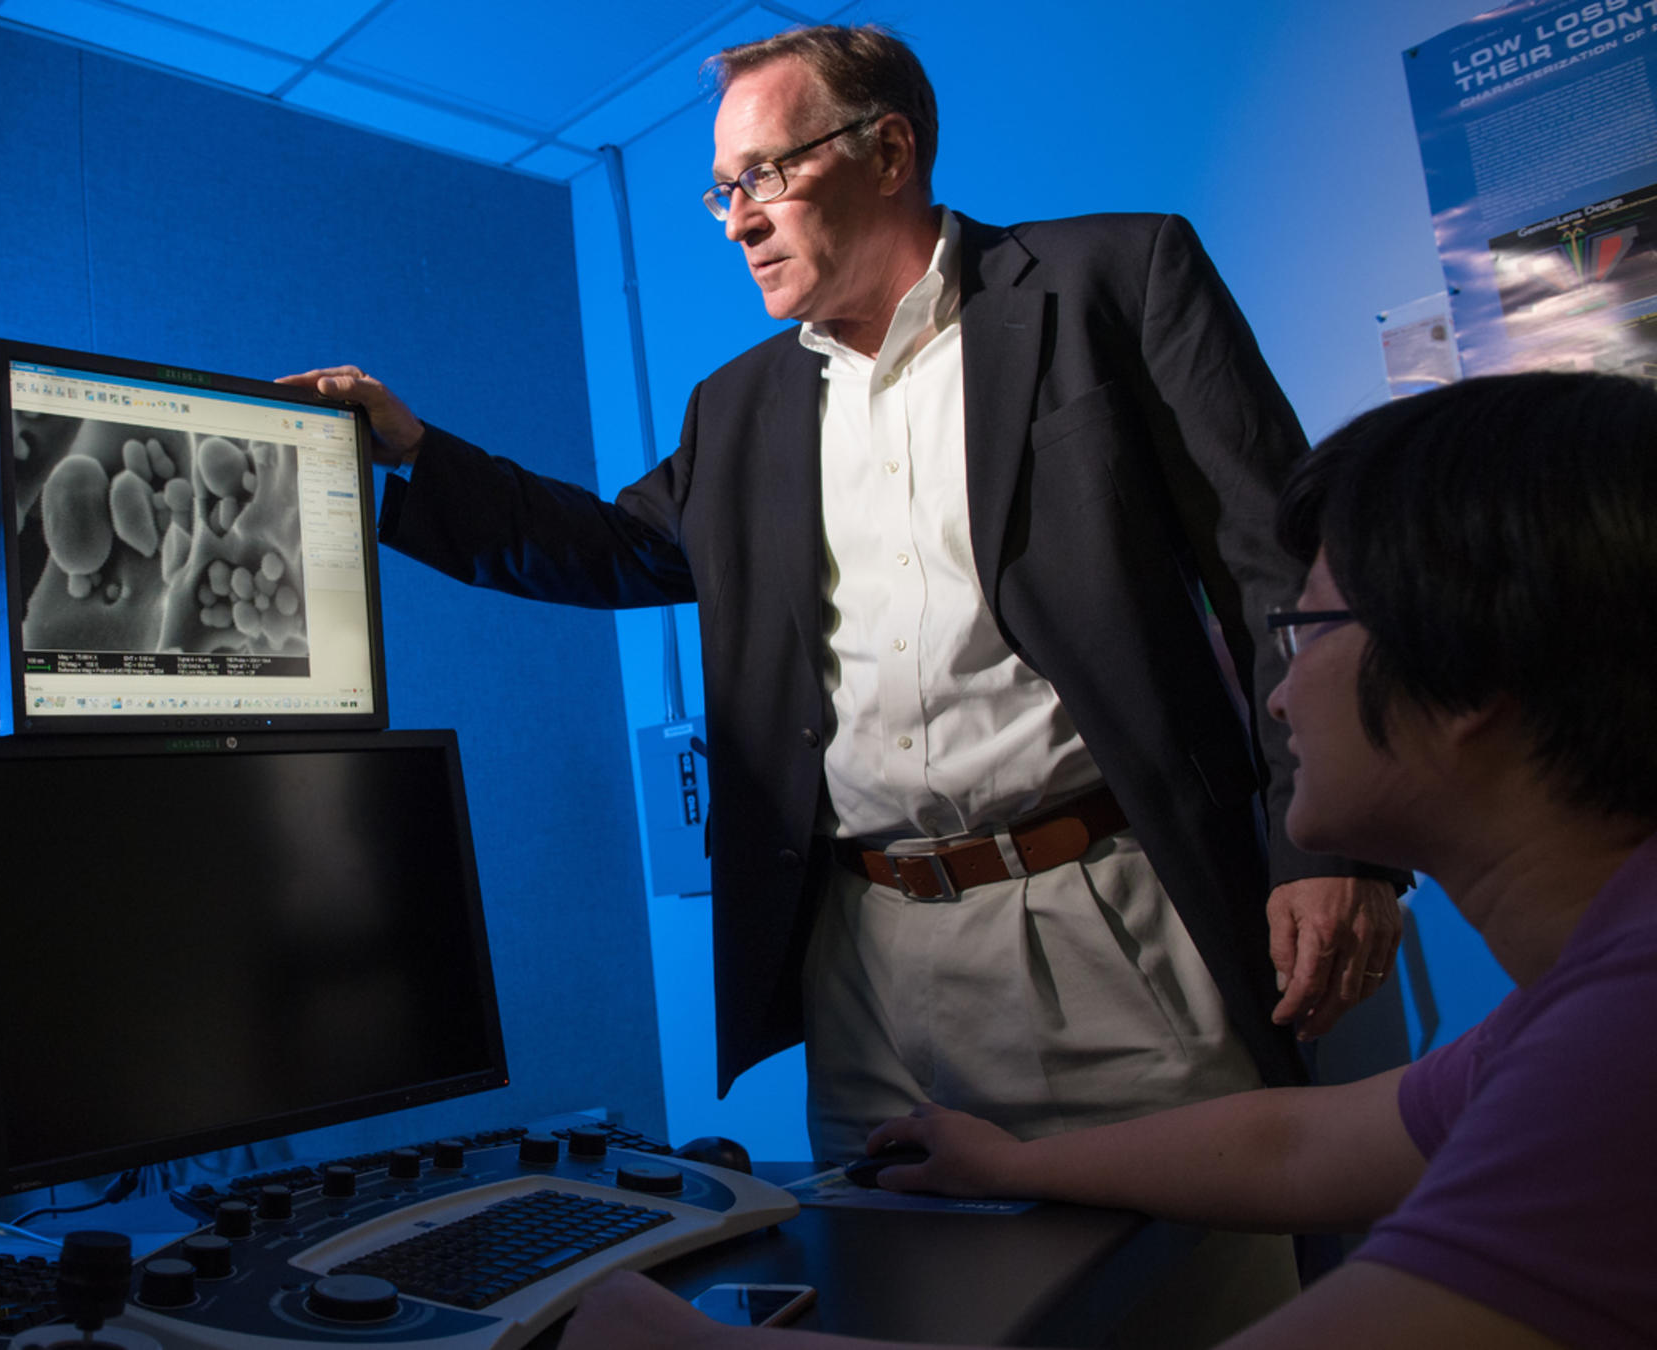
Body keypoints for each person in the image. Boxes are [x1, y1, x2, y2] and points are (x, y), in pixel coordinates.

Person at [286, 20, 1400, 1162]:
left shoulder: (1113, 281)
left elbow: (1290, 570)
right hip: (863, 965)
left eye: (764, 175)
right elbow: (617, 548)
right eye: (721, 193)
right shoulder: (739, 408)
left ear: (890, 149)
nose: (739, 222)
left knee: (1186, 1296)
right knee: (900, 1299)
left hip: (1108, 915)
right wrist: (415, 449)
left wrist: (1339, 850)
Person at [558, 370, 1657, 1349]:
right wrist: (1018, 1165)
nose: (1272, 693)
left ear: (1469, 683)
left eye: (1305, 629)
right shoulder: (1597, 997)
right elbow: (1301, 1145)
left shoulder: (1624, 1053)